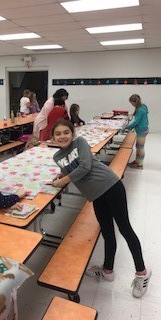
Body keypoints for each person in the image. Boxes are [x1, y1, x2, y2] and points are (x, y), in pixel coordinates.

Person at [50, 119, 151, 298]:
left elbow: (85, 167)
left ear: (72, 134)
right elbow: (70, 170)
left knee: (125, 229)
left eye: (66, 132)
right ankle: (107, 270)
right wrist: (61, 174)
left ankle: (142, 273)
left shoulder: (80, 143)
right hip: (95, 195)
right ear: (52, 138)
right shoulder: (57, 157)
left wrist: (63, 180)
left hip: (111, 187)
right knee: (107, 231)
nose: (62, 136)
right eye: (58, 134)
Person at [125, 94, 149, 169]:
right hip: (142, 129)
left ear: (134, 102)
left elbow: (136, 122)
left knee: (140, 147)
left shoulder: (140, 110)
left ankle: (140, 163)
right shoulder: (143, 106)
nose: (131, 104)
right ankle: (137, 161)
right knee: (138, 146)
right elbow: (138, 117)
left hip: (142, 130)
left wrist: (126, 127)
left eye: (131, 103)